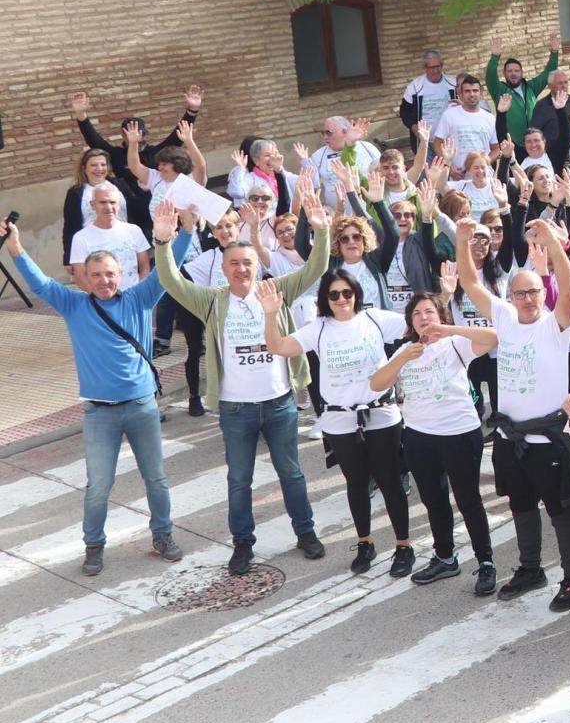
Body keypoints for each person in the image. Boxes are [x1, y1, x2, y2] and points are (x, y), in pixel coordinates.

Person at [152, 199, 333, 575]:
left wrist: (321, 230)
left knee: (292, 474)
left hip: (280, 403)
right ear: (223, 267)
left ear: (257, 266)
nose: (241, 269)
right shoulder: (212, 301)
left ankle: (306, 532)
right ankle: (243, 544)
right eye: (233, 263)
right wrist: (162, 242)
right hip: (236, 409)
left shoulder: (276, 290)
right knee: (239, 479)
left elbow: (317, 267)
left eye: (247, 262)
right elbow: (170, 281)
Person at [4, 214, 182, 576]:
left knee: (156, 478)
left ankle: (163, 535)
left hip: (142, 406)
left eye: (110, 273)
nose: (104, 280)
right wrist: (16, 247)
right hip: (100, 414)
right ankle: (94, 545)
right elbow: (38, 284)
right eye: (96, 274)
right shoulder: (74, 305)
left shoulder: (138, 299)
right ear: (84, 278)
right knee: (99, 485)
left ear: (122, 274)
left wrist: (183, 235)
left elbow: (166, 271)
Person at [456, 216, 570, 611]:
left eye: (534, 292)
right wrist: (463, 242)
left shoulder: (556, 324)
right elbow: (470, 284)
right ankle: (531, 568)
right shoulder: (504, 319)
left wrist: (553, 245)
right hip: (511, 439)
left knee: (562, 510)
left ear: (542, 295)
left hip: (548, 439)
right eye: (521, 293)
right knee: (521, 505)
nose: (528, 299)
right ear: (511, 297)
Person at [259, 267, 412, 576]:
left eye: (347, 293)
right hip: (339, 419)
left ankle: (403, 545)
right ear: (325, 299)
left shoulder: (375, 319)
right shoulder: (318, 328)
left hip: (381, 414)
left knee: (390, 481)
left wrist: (446, 295)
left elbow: (417, 325)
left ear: (356, 294)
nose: (342, 299)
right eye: (334, 294)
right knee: (356, 483)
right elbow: (277, 347)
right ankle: (365, 542)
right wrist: (271, 314)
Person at [371, 295, 500, 593]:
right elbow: (376, 384)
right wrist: (404, 357)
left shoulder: (455, 343)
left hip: (459, 432)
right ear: (410, 322)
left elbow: (492, 338)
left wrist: (451, 329)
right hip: (419, 435)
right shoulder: (405, 351)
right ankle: (445, 557)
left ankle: (486, 563)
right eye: (416, 313)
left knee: (468, 500)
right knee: (434, 500)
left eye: (429, 311)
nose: (423, 317)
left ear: (440, 315)